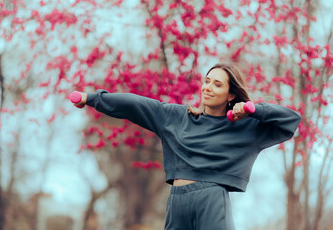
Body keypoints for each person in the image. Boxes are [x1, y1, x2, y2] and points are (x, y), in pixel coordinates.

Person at [71, 63, 301, 230]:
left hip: (211, 200)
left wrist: (254, 109)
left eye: (217, 84)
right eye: (207, 80)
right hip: (177, 201)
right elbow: (135, 104)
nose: (207, 87)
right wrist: (91, 98)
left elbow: (291, 121)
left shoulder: (246, 127)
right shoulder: (176, 117)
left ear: (231, 94)